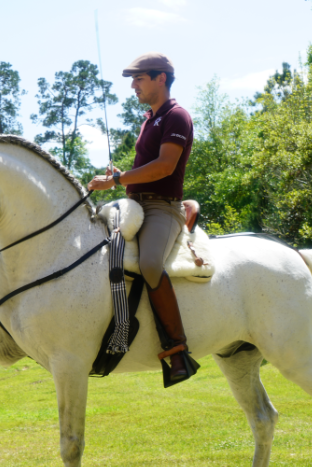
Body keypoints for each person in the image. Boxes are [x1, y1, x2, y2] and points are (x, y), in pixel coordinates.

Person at [88, 52, 197, 386]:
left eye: (139, 79)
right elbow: (144, 170)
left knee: (150, 264)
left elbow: (165, 167)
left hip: (163, 209)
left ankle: (177, 350)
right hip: (134, 203)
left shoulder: (177, 116)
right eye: (132, 80)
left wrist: (117, 180)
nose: (133, 85)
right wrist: (122, 176)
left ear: (160, 78)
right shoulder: (149, 119)